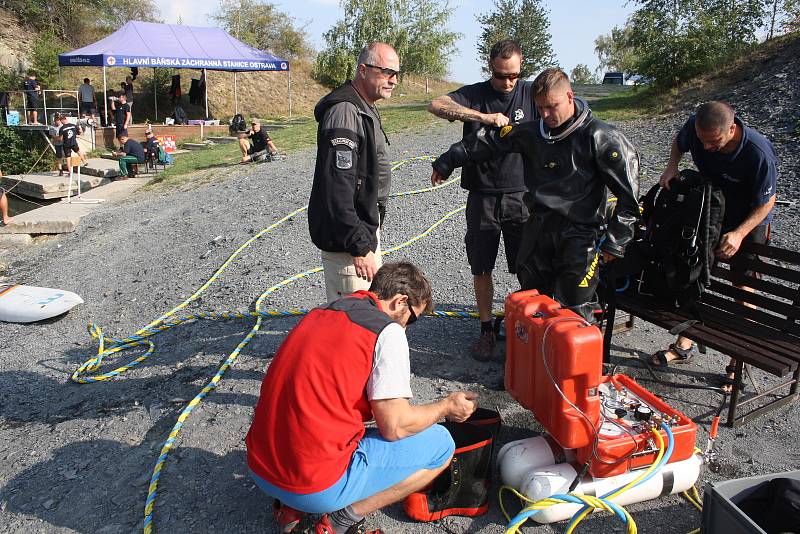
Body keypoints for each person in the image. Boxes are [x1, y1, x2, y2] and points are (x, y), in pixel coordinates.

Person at [246, 262, 477, 534]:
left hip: (260, 466)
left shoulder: (322, 312)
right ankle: (340, 521)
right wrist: (446, 407)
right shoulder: (386, 331)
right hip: (312, 485)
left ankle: (290, 509)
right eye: (412, 318)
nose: (408, 327)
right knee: (441, 444)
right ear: (400, 301)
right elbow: (395, 427)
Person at [431, 67, 640, 321]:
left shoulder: (602, 137)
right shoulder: (533, 133)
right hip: (538, 229)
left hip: (580, 236)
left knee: (573, 310)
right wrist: (448, 160)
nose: (546, 114)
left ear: (570, 97)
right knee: (534, 300)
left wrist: (616, 241)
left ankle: (573, 358)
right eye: (540, 108)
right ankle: (533, 357)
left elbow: (629, 196)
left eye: (552, 106)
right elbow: (489, 141)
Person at [653, 101, 778, 392]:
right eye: (703, 140)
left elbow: (766, 202)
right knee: (696, 274)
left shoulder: (758, 153)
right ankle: (685, 345)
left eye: (715, 141)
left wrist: (738, 234)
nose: (707, 147)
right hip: (712, 211)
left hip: (749, 221)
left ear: (732, 129)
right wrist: (672, 166)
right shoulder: (697, 128)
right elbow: (679, 143)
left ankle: (737, 364)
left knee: (742, 291)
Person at [427, 40, 535, 362]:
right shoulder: (475, 93)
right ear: (491, 68)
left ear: (521, 66)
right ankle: (486, 328)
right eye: (501, 76)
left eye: (514, 75)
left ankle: (525, 327)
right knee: (481, 267)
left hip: (521, 195)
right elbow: (436, 104)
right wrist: (484, 117)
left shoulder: (531, 93)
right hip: (482, 196)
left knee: (526, 269)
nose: (508, 82)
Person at [308, 42, 399, 302]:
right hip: (350, 245)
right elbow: (336, 188)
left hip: (361, 233)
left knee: (368, 314)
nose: (393, 80)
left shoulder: (363, 105)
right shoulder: (345, 112)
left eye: (396, 74)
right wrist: (359, 246)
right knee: (351, 322)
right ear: (363, 69)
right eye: (387, 72)